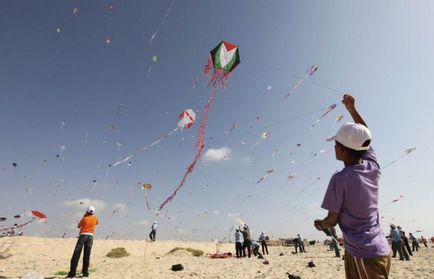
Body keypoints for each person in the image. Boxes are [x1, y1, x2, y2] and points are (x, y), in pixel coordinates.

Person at [314, 94, 391, 278]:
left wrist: (321, 225)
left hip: (362, 254)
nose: (334, 147)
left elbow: (332, 220)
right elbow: (365, 136)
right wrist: (352, 110)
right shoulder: (373, 167)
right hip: (381, 250)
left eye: (335, 144)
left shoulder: (339, 179)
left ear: (341, 149)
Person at [67, 206, 99, 278]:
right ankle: (85, 273)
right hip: (90, 237)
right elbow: (96, 223)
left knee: (76, 254)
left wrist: (84, 217)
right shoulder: (95, 218)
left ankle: (72, 273)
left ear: (87, 211)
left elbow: (78, 226)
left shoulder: (84, 218)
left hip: (83, 236)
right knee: (87, 255)